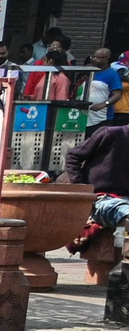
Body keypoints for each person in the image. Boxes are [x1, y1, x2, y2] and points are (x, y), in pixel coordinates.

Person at [63, 98, 129, 251]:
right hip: (102, 199)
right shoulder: (110, 134)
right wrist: (83, 191)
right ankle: (122, 262)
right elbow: (73, 157)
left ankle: (120, 261)